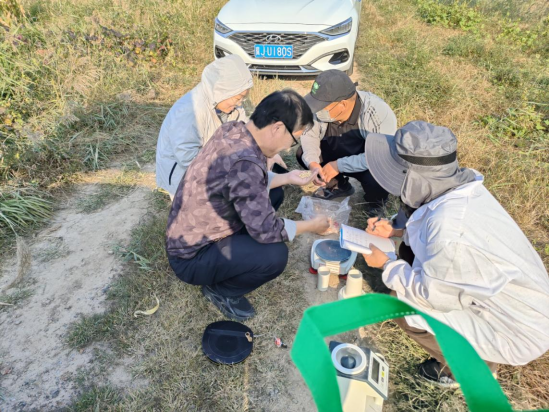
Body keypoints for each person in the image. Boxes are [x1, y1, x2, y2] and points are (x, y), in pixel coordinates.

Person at [361, 120, 549, 387]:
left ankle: (468, 368)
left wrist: (387, 264)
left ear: (416, 177)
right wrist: (394, 230)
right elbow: (425, 222)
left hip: (514, 329)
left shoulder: (449, 231)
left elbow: (432, 296)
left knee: (402, 306)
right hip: (515, 301)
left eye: (399, 172)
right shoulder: (456, 188)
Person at [166, 89, 330, 321]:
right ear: (278, 128)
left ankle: (237, 247)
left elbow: (245, 181)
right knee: (274, 255)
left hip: (190, 233)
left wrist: (287, 177)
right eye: (293, 140)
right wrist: (311, 225)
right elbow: (268, 230)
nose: (287, 148)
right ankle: (220, 291)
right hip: (191, 258)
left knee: (274, 196)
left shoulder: (233, 130)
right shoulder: (245, 163)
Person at [156, 55, 258, 197]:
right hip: (182, 173)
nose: (240, 103)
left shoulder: (228, 104)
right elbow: (186, 157)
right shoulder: (189, 111)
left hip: (212, 163)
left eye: (242, 98)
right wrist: (225, 169)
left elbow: (243, 131)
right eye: (237, 98)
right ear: (223, 91)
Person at [297, 69, 397, 210]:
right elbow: (309, 136)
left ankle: (376, 205)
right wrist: (313, 164)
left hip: (367, 159)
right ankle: (338, 185)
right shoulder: (320, 110)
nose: (316, 110)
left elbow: (380, 155)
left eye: (321, 107)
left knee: (379, 176)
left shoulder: (376, 113)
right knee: (302, 153)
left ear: (342, 105)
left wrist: (338, 165)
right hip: (336, 151)